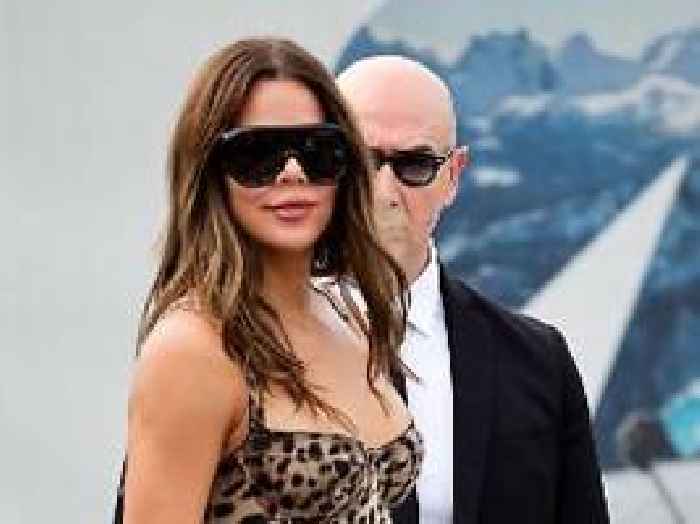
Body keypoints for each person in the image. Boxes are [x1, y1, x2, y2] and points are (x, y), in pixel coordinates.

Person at [115, 39, 423, 523]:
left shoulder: (349, 316)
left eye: (318, 150)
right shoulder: (193, 349)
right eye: (258, 153)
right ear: (209, 172)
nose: (293, 172)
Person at [337, 56, 609, 524]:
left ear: (454, 175)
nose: (383, 191)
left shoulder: (539, 362)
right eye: (361, 161)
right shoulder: (253, 349)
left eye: (415, 165)